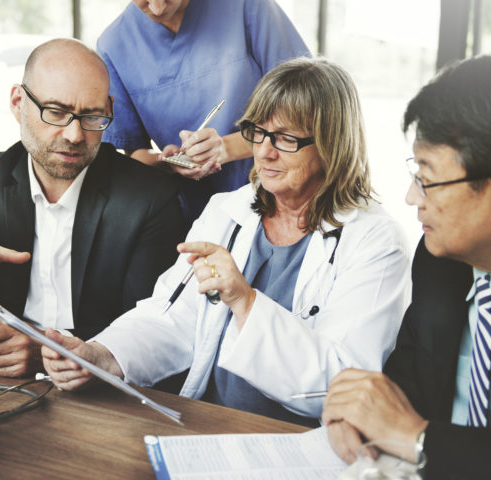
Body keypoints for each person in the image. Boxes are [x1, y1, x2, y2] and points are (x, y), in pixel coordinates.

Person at [40, 57, 410, 426]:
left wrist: (244, 301)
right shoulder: (227, 211)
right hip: (212, 425)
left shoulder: (375, 240)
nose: (265, 151)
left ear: (332, 143)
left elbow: (342, 386)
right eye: (258, 132)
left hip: (303, 442)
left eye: (285, 137)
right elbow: (171, 317)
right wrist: (99, 355)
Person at [0, 39, 184, 378]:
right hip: (0, 386)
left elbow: (150, 331)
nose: (74, 134)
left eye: (93, 116)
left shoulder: (149, 196)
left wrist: (48, 352)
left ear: (109, 110)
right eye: (55, 112)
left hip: (103, 397)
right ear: (17, 103)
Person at [321, 55, 491, 479]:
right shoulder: (439, 264)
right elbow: (408, 381)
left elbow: (411, 426)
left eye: (427, 178)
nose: (412, 198)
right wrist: (361, 413)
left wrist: (416, 437)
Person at [97, 0, 310, 225]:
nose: (158, 8)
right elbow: (136, 155)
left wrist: (226, 148)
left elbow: (306, 105)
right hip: (197, 214)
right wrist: (171, 162)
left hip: (282, 193)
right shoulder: (114, 45)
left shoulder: (247, 6)